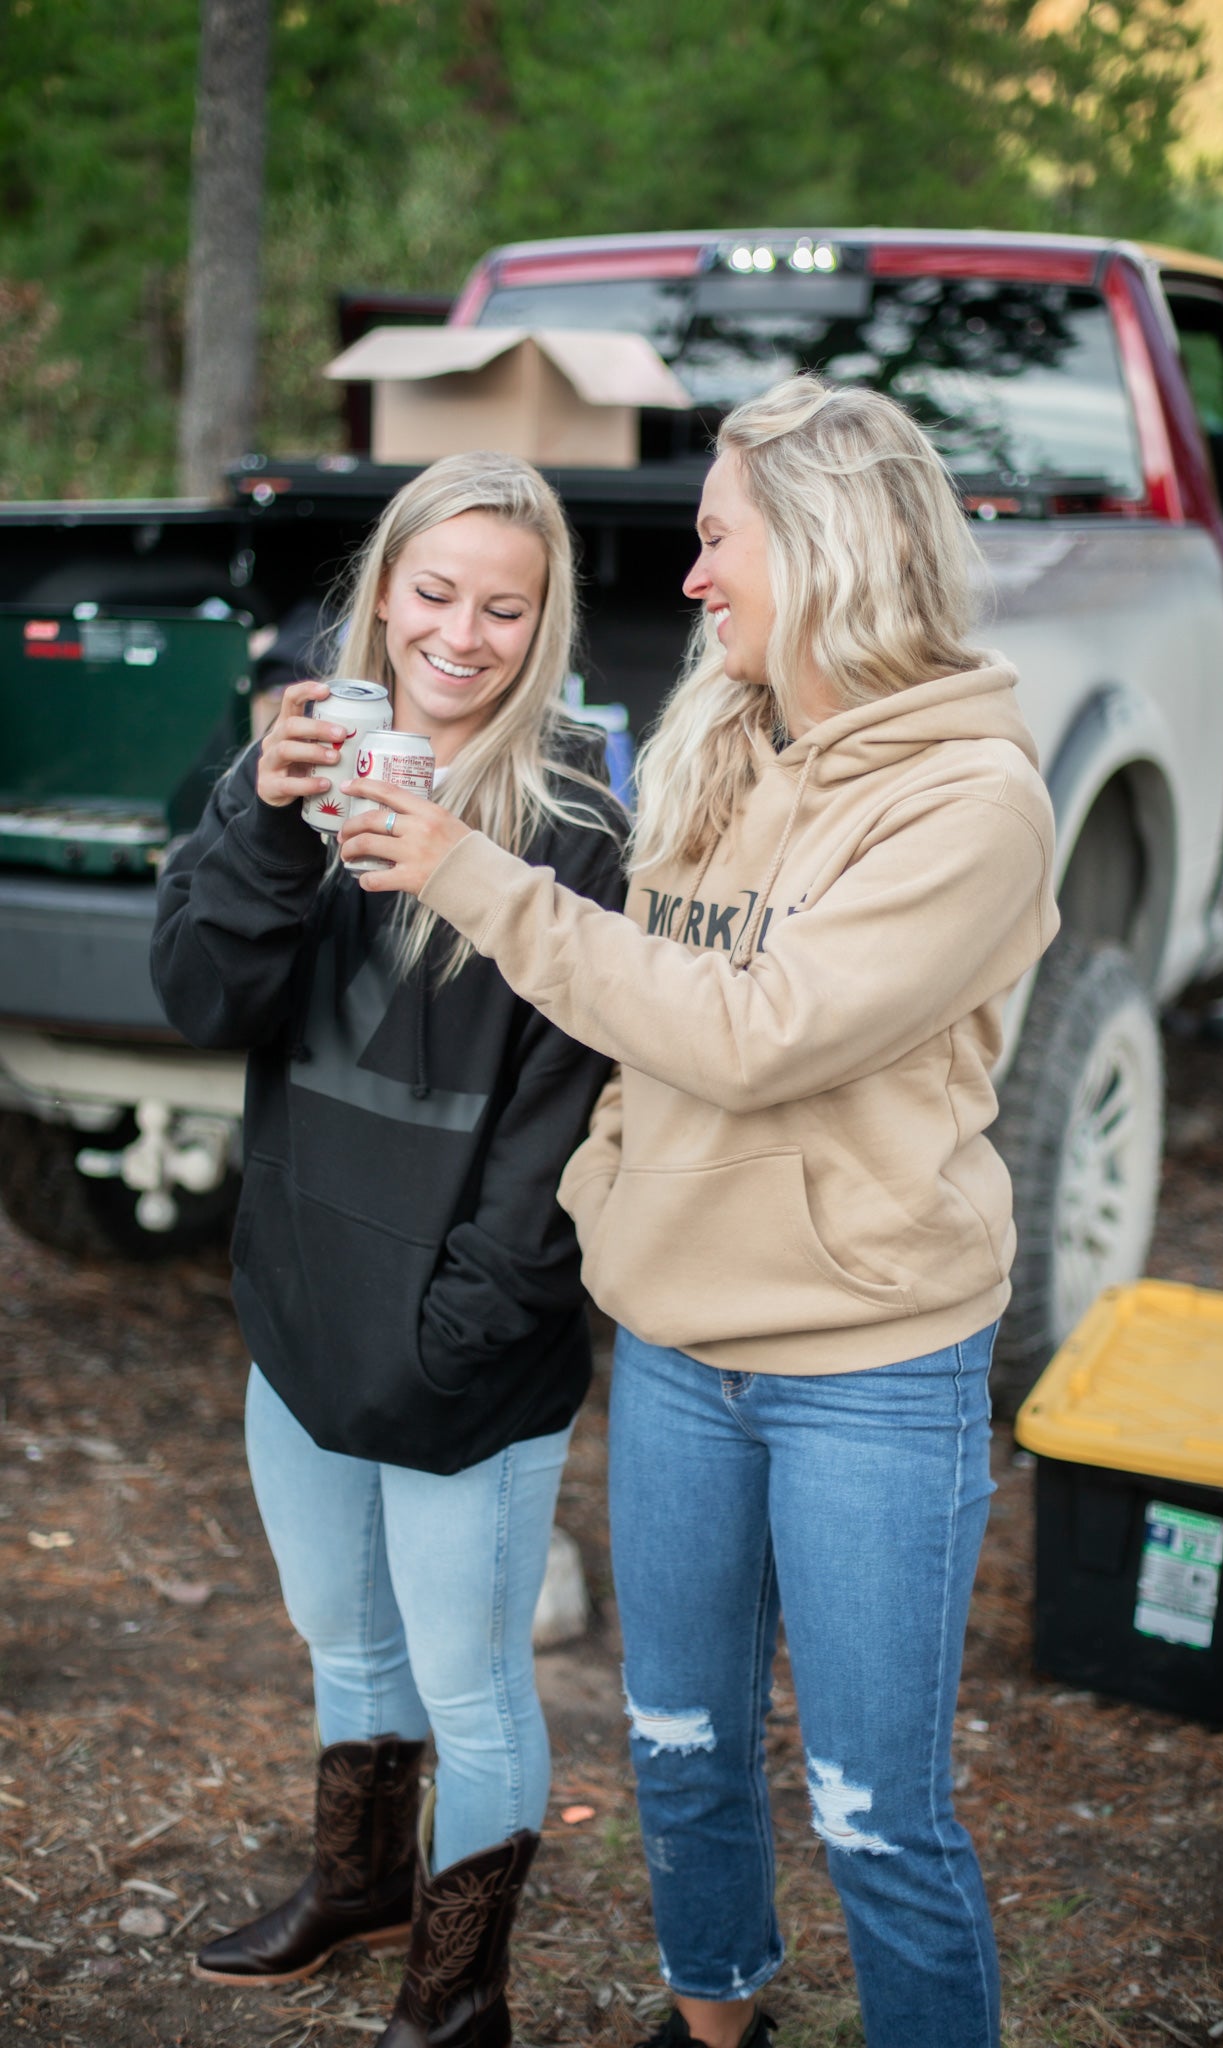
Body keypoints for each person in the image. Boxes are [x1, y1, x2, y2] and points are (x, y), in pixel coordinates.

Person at [335, 375, 1060, 2048]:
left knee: (877, 1811)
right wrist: (610, 1184)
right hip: (675, 1339)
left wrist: (462, 867)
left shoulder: (968, 806)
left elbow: (751, 1031)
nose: (694, 578)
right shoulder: (723, 740)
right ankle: (712, 2019)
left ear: (821, 551)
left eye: (719, 538)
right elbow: (634, 1009)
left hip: (870, 1365)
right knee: (676, 1742)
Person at [150, 451, 627, 2048]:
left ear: (545, 621)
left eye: (507, 605)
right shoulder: (295, 768)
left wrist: (457, 1337)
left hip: (458, 1353)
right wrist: (269, 824)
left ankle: (459, 1985)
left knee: (475, 1679)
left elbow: (555, 1141)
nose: (463, 634)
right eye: (433, 594)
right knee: (344, 1639)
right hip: (303, 1313)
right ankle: (358, 1888)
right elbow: (205, 1001)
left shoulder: (572, 833)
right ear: (382, 593)